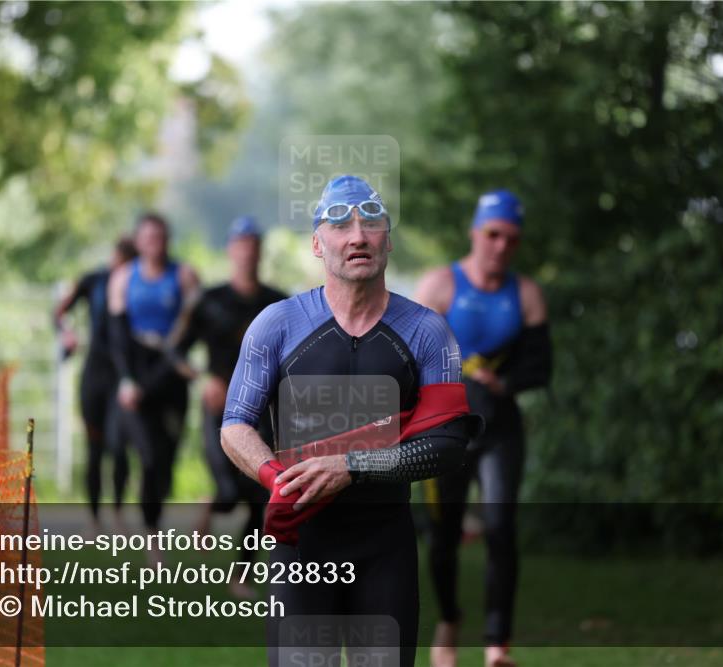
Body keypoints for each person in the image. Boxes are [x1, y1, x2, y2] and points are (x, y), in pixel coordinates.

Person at [220, 176, 482, 667]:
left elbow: (448, 443)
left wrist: (352, 466)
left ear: (388, 239)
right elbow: (235, 424)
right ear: (318, 245)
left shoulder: (428, 332)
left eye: (372, 222)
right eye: (340, 224)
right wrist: (276, 480)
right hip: (303, 547)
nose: (358, 235)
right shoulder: (276, 325)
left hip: (385, 547)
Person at [414, 189, 552, 667]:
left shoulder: (527, 294)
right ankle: (449, 620)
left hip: (500, 429)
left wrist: (505, 380)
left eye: (511, 239)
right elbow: (407, 359)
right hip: (445, 430)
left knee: (500, 527)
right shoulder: (439, 286)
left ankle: (497, 644)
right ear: (476, 233)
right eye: (492, 234)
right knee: (442, 536)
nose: (500, 246)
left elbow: (541, 367)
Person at [175, 215, 286, 598]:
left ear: (260, 252)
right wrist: (203, 378)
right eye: (241, 245)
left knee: (261, 492)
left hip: (263, 412)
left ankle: (242, 574)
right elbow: (176, 351)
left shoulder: (277, 303)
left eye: (253, 246)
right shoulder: (209, 301)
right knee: (227, 490)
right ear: (230, 250)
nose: (247, 253)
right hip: (221, 411)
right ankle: (212, 503)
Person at [107, 213, 200, 546]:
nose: (153, 244)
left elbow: (191, 331)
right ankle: (153, 540)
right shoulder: (122, 278)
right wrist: (128, 380)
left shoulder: (185, 276)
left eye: (159, 237)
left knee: (166, 461)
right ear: (138, 241)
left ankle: (155, 504)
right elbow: (116, 337)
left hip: (171, 376)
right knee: (147, 456)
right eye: (147, 238)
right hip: (137, 375)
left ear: (167, 240)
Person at [53, 236, 138, 534]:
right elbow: (59, 311)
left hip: (123, 375)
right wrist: (68, 334)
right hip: (94, 374)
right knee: (94, 448)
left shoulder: (138, 286)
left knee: (118, 446)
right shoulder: (93, 280)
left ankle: (117, 512)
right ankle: (93, 517)